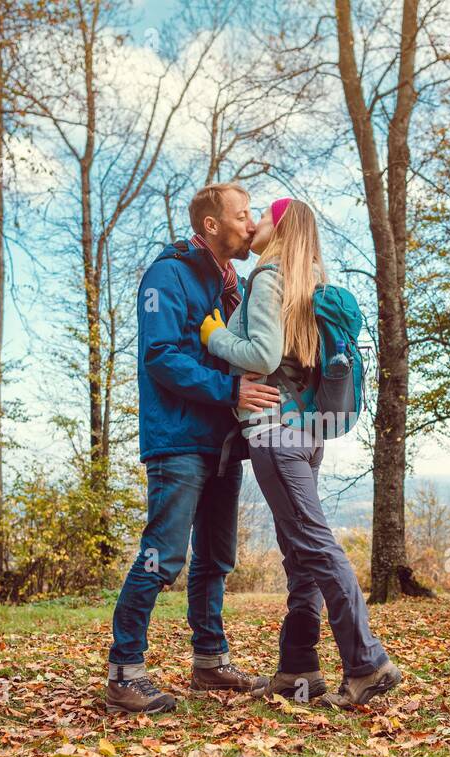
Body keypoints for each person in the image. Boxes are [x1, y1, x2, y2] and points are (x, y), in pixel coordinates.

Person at [199, 197, 402, 708]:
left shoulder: (270, 279)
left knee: (313, 545)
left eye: (263, 218)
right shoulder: (308, 284)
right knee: (300, 554)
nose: (254, 225)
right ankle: (298, 669)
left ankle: (367, 662)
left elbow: (262, 355)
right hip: (307, 434)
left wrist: (216, 335)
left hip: (276, 432)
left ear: (282, 228)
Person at [106, 183, 281, 714]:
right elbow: (160, 355)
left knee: (216, 559)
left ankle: (209, 661)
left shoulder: (230, 283)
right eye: (242, 214)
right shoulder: (169, 274)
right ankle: (124, 670)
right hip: (179, 439)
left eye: (253, 215)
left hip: (224, 441)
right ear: (211, 225)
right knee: (163, 556)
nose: (251, 224)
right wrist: (230, 390)